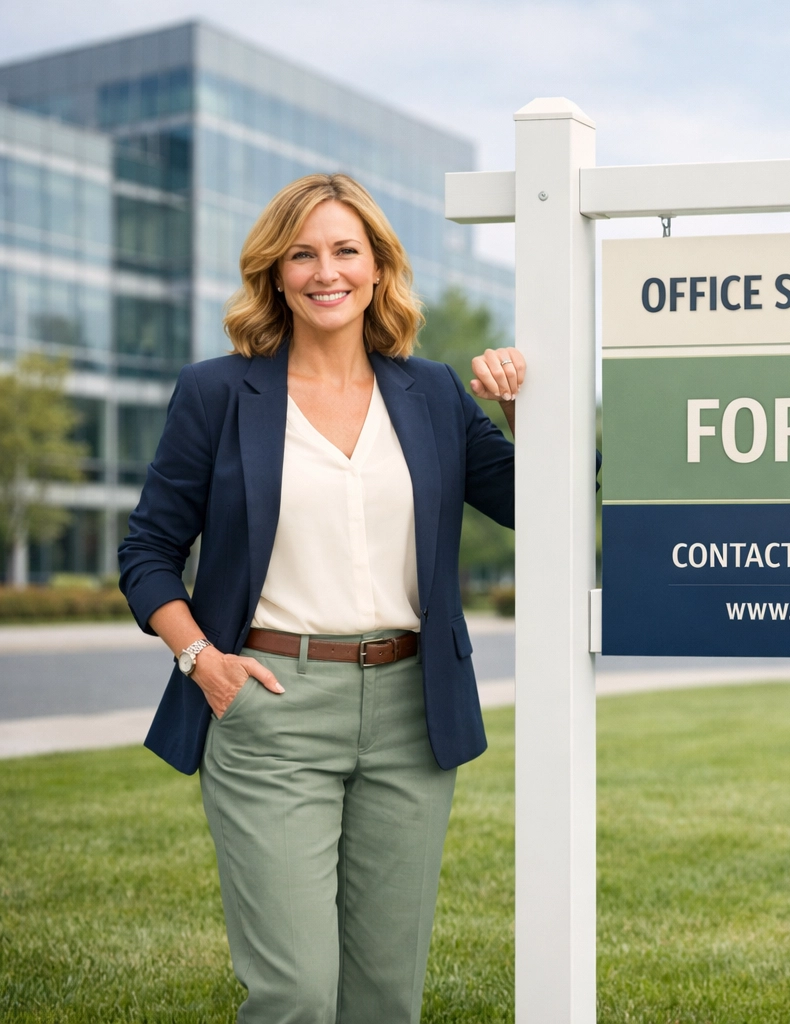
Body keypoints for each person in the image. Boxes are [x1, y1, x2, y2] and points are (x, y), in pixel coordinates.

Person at [118, 173, 524, 1023]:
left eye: (346, 250)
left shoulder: (435, 393)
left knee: (385, 1000)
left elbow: (540, 504)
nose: (324, 271)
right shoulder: (218, 393)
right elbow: (149, 551)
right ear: (275, 272)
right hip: (270, 705)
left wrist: (530, 412)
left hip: (414, 711)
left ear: (379, 268)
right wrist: (202, 661)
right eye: (302, 253)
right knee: (296, 993)